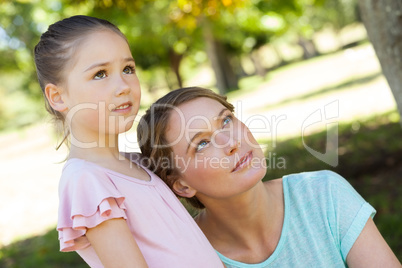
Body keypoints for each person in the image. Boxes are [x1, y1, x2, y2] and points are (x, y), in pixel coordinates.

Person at [137, 86, 401, 267]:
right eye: (202, 144)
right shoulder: (188, 256)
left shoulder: (323, 194)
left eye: (226, 120)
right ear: (182, 185)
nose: (232, 142)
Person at [34, 16, 224, 267]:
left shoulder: (137, 163)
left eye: (128, 69)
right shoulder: (87, 180)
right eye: (100, 74)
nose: (123, 85)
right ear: (57, 96)